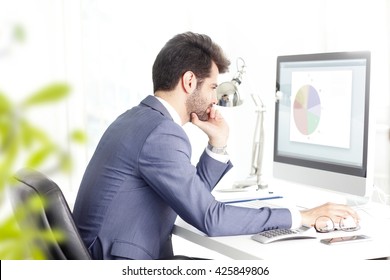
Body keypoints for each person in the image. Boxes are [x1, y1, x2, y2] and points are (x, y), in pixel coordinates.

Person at [73, 32, 359, 260]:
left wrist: (217, 144)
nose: (215, 99)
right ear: (188, 81)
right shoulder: (162, 133)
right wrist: (302, 216)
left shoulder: (139, 118)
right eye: (212, 87)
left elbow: (190, 195)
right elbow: (210, 217)